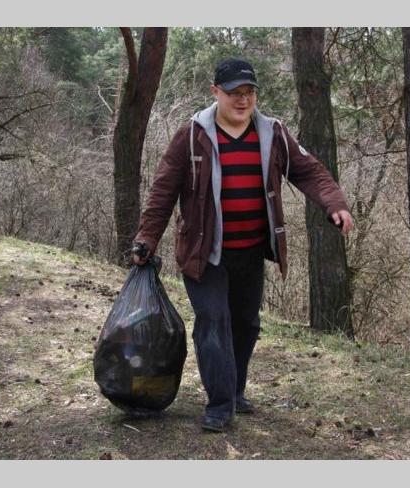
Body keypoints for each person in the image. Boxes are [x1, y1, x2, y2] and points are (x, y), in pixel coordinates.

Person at [133, 58, 353, 432]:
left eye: (249, 92)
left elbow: (309, 171)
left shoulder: (273, 134)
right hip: (204, 253)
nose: (243, 100)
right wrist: (146, 238)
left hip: (250, 252)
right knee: (213, 323)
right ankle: (220, 405)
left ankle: (234, 391)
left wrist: (335, 204)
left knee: (246, 325)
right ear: (215, 92)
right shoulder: (192, 135)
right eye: (234, 92)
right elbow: (163, 191)